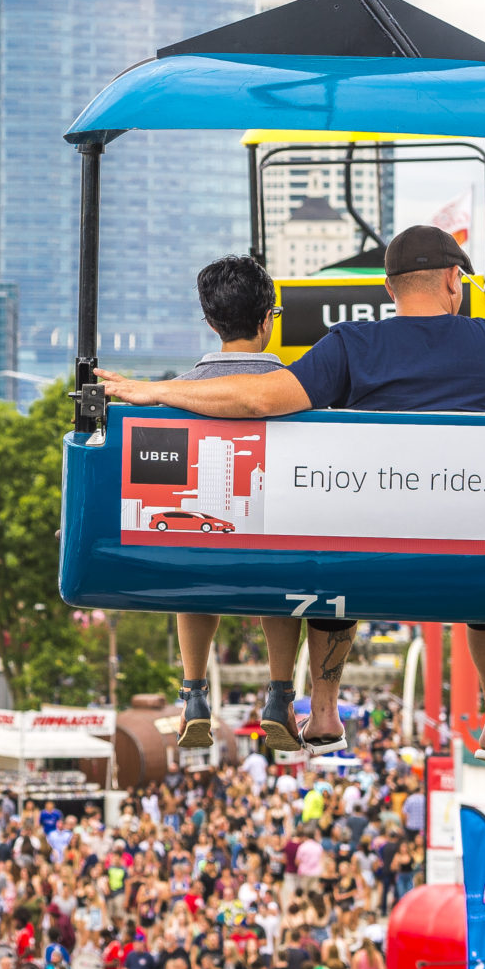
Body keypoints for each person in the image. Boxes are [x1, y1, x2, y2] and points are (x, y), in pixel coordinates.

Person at [99, 225, 485, 768]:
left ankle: (322, 712)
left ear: (390, 290)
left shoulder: (352, 345)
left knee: (329, 568)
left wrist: (154, 390)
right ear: (453, 282)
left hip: (368, 564)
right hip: (468, 564)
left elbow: (261, 401)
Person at [160, 255, 302, 751]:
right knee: (285, 556)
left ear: (210, 323)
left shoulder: (174, 395)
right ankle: (280, 694)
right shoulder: (300, 393)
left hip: (202, 544)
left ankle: (194, 691)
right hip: (277, 552)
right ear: (267, 320)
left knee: (192, 561)